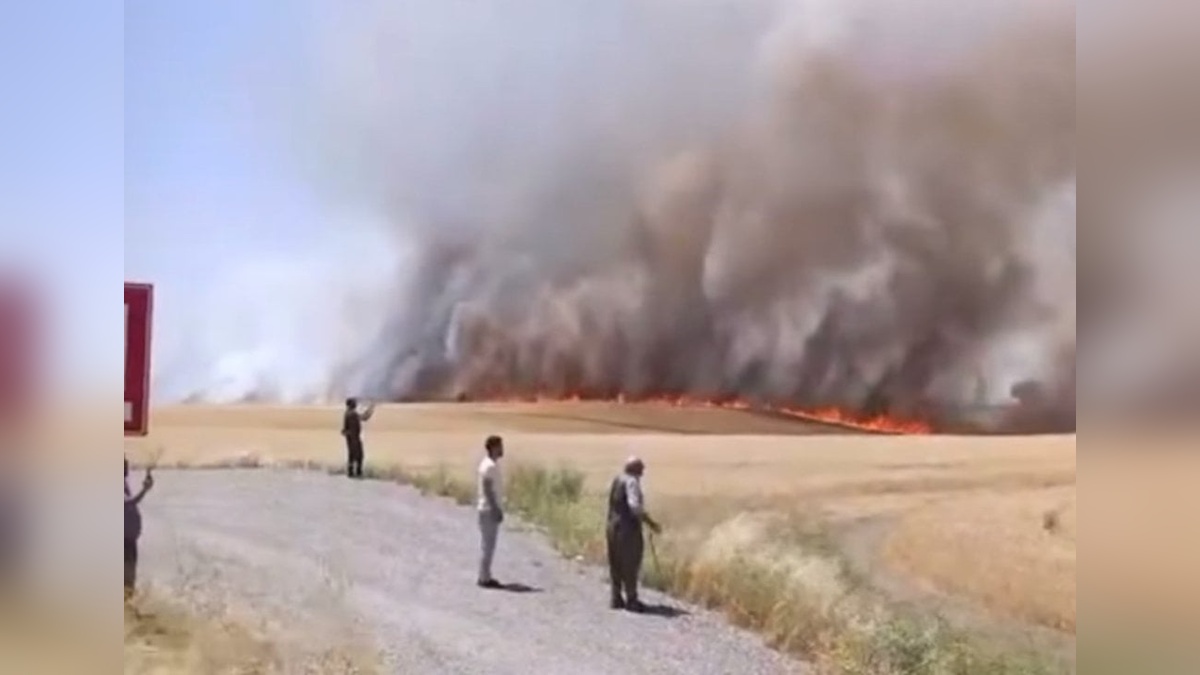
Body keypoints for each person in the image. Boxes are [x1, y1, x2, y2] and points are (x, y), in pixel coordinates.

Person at [606, 456, 661, 612]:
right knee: (630, 563)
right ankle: (631, 600)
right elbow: (634, 507)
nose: (643, 471)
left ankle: (616, 598)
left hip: (612, 526)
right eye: (641, 468)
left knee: (615, 563)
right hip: (627, 530)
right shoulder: (632, 482)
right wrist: (650, 522)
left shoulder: (617, 479)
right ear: (634, 469)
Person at [475, 435, 505, 589]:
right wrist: (495, 509)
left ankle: (484, 575)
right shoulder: (489, 466)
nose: (502, 449)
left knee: (487, 545)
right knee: (488, 546)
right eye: (500, 446)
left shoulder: (488, 464)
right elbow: (487, 489)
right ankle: (484, 578)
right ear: (493, 448)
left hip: (486, 508)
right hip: (488, 509)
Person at [125, 457, 154, 600]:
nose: (126, 467)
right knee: (127, 571)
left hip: (129, 536)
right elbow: (128, 503)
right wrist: (145, 490)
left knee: (130, 571)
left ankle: (127, 600)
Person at [342, 397, 375, 478]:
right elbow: (364, 418)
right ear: (351, 404)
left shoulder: (347, 413)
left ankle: (351, 472)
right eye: (354, 403)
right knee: (359, 455)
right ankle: (358, 472)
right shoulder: (352, 414)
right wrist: (371, 409)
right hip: (354, 438)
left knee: (352, 455)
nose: (356, 404)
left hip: (350, 437)